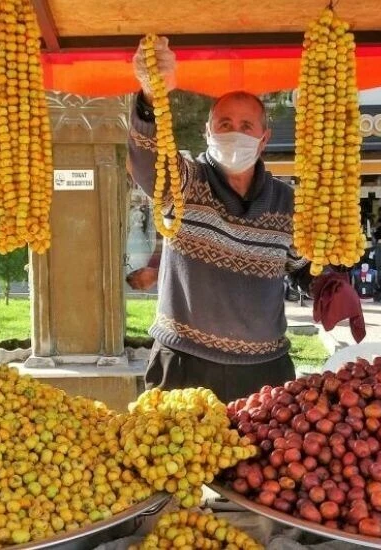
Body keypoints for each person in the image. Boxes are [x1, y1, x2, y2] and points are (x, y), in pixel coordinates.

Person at [127, 37, 311, 403]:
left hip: (265, 372)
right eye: (224, 124)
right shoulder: (185, 183)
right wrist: (150, 97)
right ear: (208, 133)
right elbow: (150, 168)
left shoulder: (288, 203)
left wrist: (330, 282)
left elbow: (301, 266)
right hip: (183, 364)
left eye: (247, 125)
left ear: (264, 139)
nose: (235, 133)